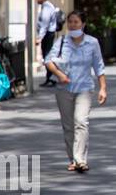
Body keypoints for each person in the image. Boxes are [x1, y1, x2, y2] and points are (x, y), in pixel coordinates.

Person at [45, 11, 107, 173]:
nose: (73, 25)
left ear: (83, 24)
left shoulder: (92, 43)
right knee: (68, 126)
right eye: (70, 22)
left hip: (84, 89)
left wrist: (103, 88)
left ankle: (80, 159)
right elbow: (48, 61)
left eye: (76, 22)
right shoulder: (61, 42)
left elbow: (98, 65)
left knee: (81, 122)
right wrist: (60, 75)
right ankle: (72, 159)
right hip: (63, 89)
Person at [37, 0, 59, 87]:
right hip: (49, 33)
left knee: (47, 57)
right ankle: (50, 77)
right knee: (48, 56)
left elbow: (44, 24)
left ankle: (51, 77)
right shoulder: (48, 6)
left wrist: (40, 38)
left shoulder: (46, 7)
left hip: (47, 34)